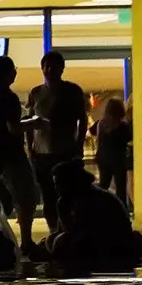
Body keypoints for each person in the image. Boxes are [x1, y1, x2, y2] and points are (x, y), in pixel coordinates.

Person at [0, 56, 40, 257]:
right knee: (25, 197)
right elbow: (13, 129)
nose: (16, 72)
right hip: (10, 155)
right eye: (13, 69)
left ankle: (1, 242)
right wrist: (35, 123)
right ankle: (26, 241)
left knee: (0, 202)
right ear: (8, 73)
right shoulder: (9, 97)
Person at [26, 49, 88, 230]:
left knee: (69, 195)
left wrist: (78, 144)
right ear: (42, 69)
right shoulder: (35, 93)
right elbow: (29, 123)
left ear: (62, 68)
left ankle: (68, 229)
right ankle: (54, 230)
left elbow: (82, 120)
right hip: (42, 154)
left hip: (66, 152)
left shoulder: (73, 91)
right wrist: (30, 148)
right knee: (48, 196)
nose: (51, 70)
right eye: (47, 66)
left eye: (55, 66)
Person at [95, 95, 132, 205]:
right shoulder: (123, 126)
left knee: (103, 185)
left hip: (103, 158)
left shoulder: (101, 123)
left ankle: (100, 207)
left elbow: (97, 138)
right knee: (120, 187)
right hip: (118, 159)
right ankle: (121, 211)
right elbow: (129, 138)